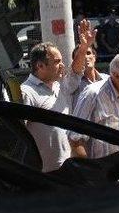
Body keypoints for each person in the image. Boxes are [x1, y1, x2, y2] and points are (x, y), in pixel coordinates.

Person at [20, 20, 95, 172]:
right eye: (57, 62)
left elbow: (76, 71)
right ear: (40, 66)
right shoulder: (26, 92)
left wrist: (84, 47)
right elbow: (18, 135)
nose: (62, 65)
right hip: (43, 174)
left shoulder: (62, 86)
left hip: (68, 170)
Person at [68, 51, 119, 181]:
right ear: (116, 75)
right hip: (108, 184)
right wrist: (93, 176)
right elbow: (75, 139)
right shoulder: (93, 94)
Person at [70, 42, 109, 109]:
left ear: (94, 57)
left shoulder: (107, 79)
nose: (85, 57)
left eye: (88, 53)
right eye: (81, 55)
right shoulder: (73, 84)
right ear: (75, 61)